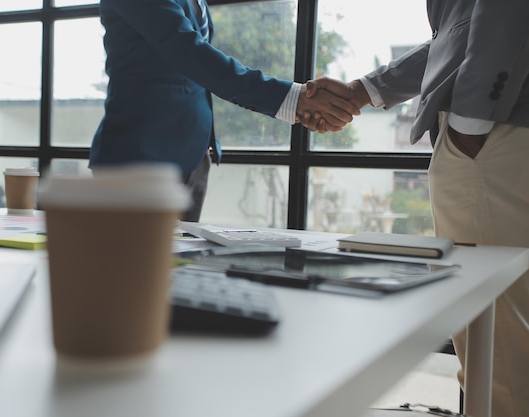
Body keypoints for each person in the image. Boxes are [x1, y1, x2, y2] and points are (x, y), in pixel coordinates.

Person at [303, 1, 529, 416]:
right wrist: (363, 90)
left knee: (497, 340)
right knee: (508, 326)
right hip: (503, 135)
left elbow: (504, 15)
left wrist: (468, 128)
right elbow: (457, 35)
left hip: (495, 136)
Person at [90, 0, 359, 221]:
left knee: (180, 272)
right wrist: (291, 98)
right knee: (132, 276)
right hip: (139, 159)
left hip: (193, 156)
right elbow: (191, 54)